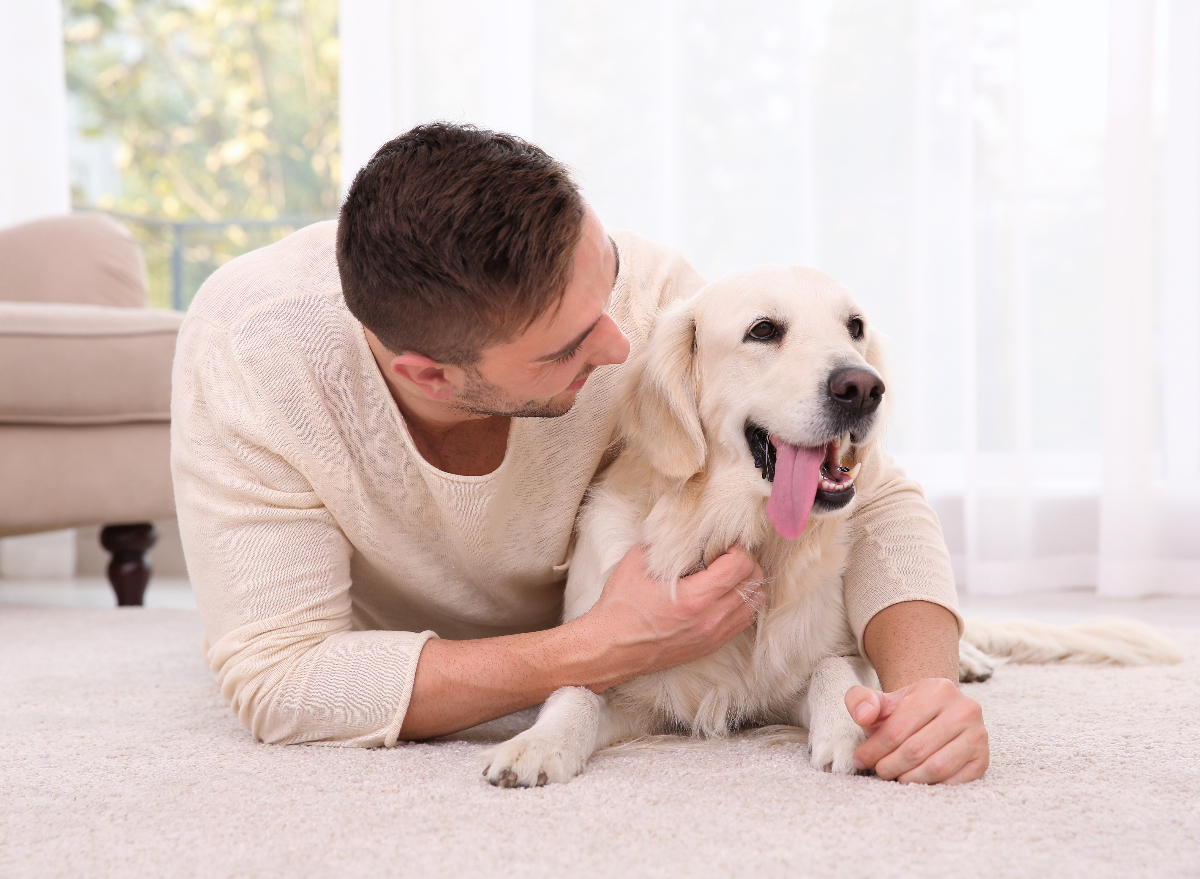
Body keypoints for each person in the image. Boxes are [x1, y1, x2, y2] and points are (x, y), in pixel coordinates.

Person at [171, 122, 987, 785]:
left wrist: (923, 691)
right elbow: (281, 678)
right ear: (432, 375)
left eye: (607, 285)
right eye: (568, 345)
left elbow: (872, 497)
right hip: (475, 650)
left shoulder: (662, 302)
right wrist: (596, 649)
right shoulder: (254, 359)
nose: (619, 341)